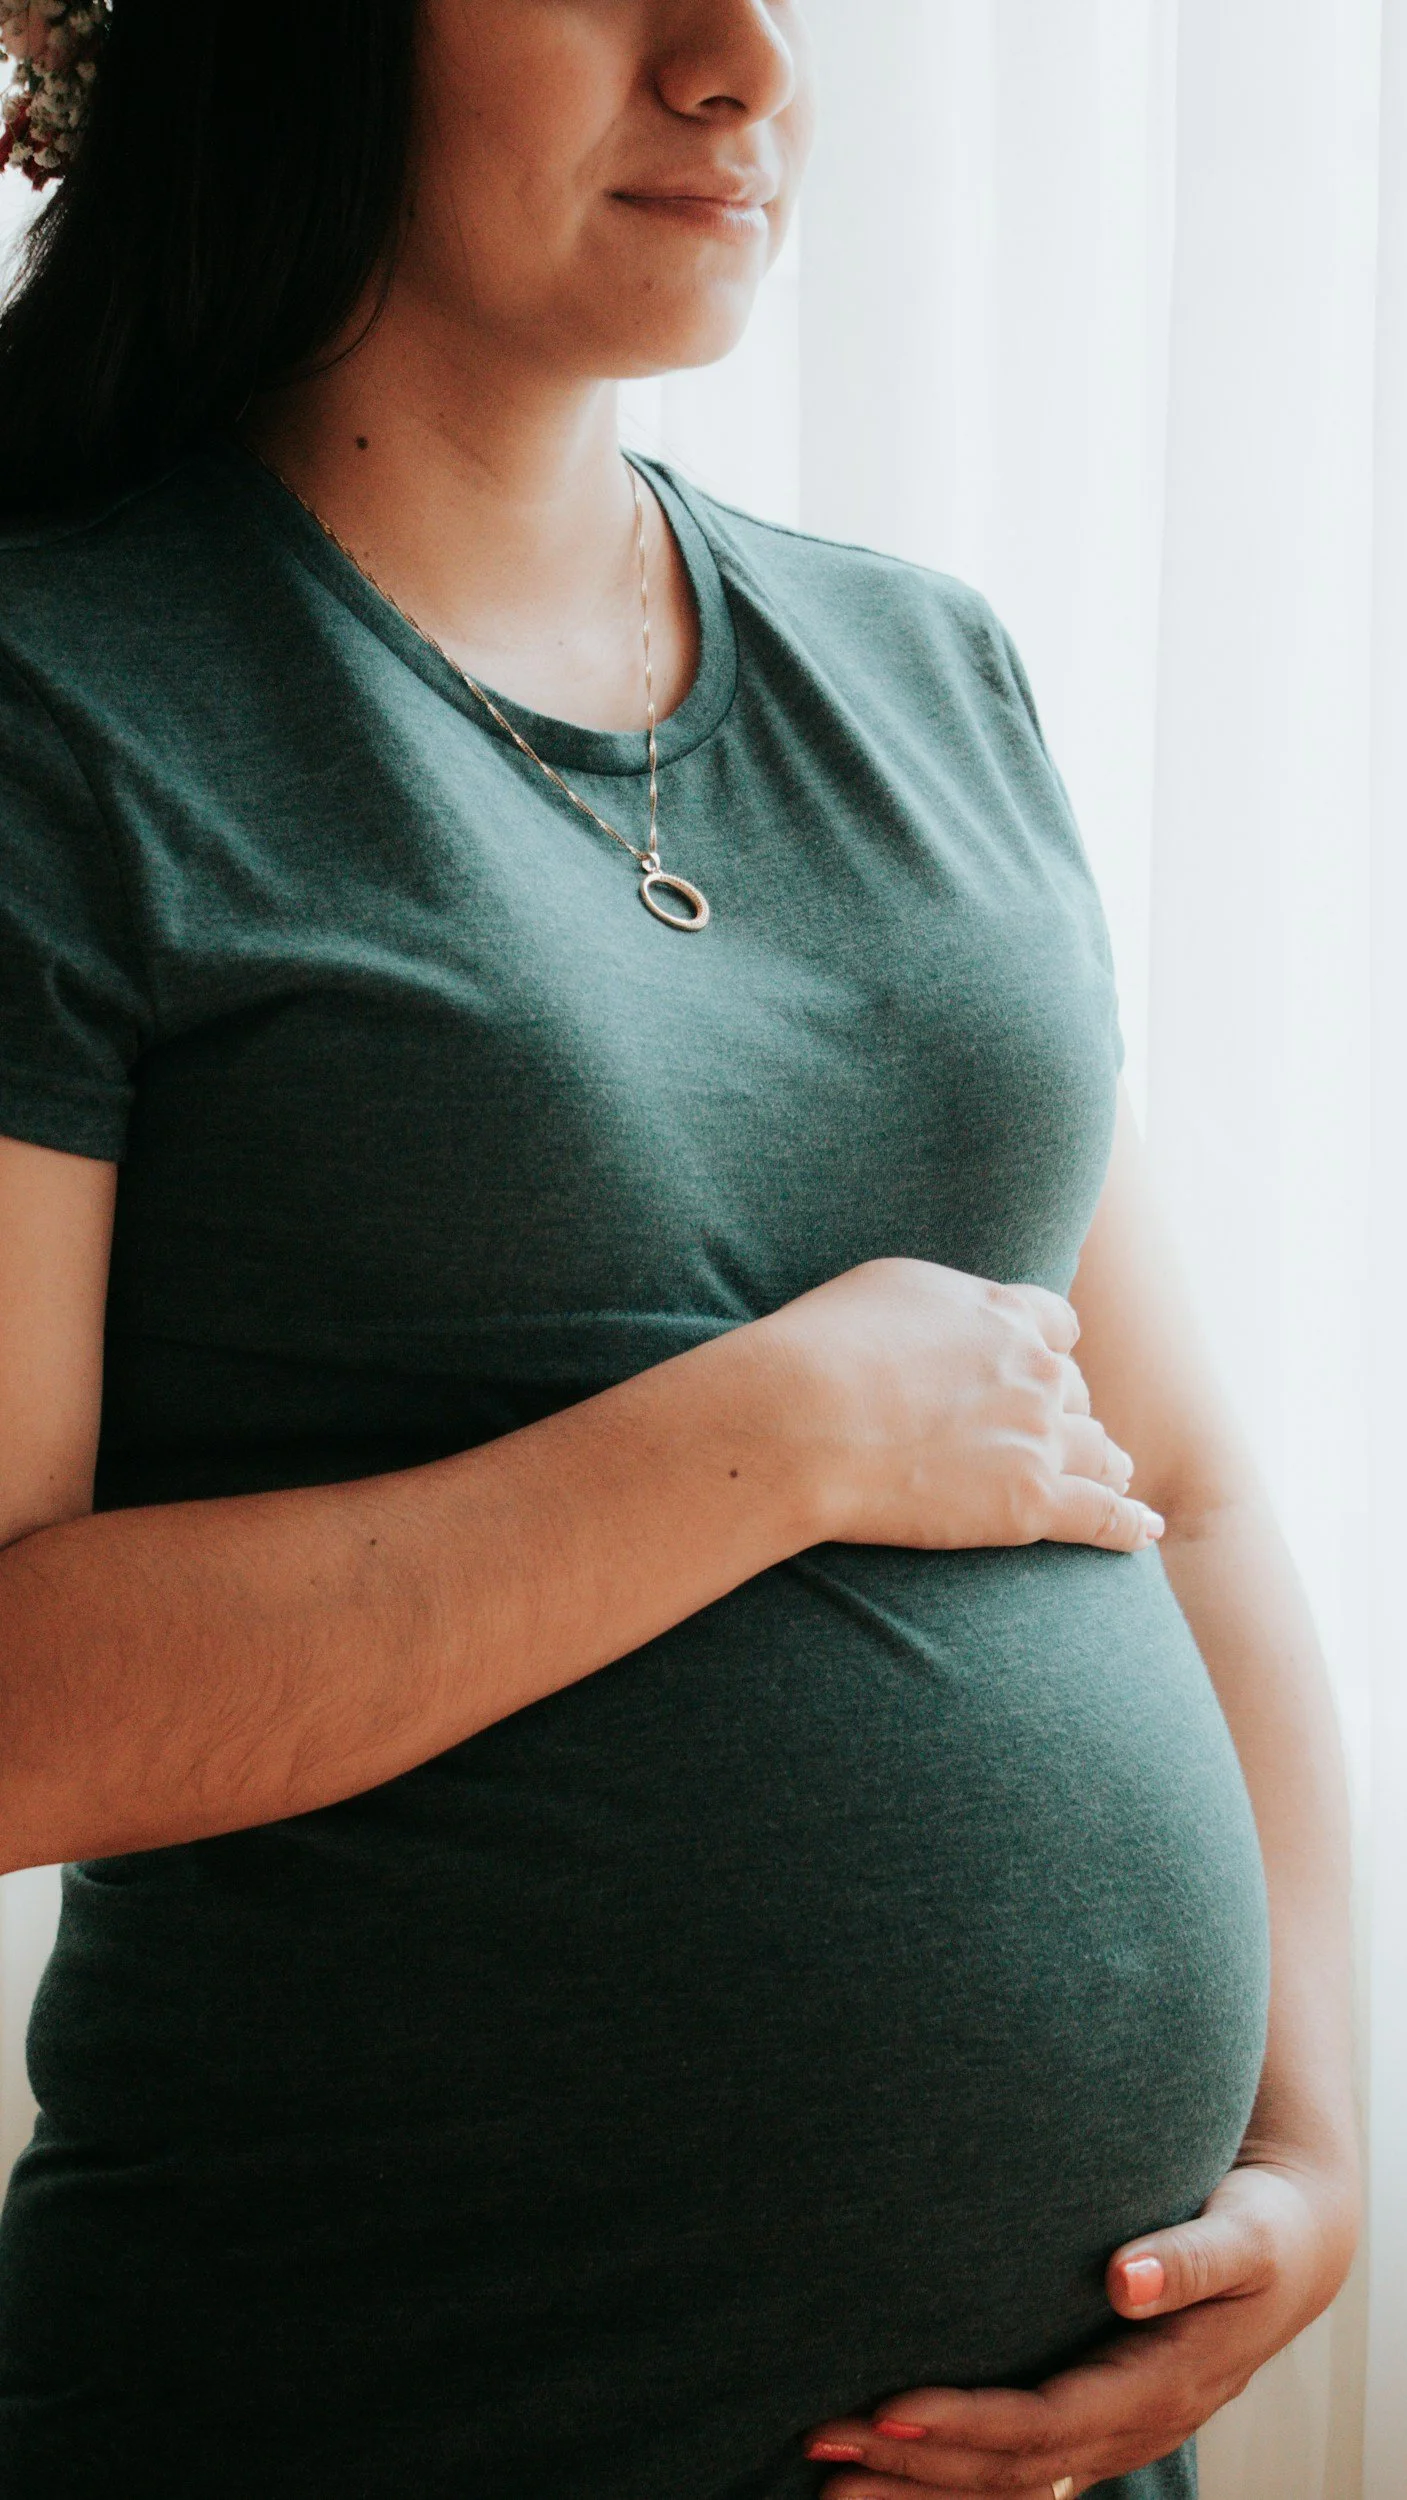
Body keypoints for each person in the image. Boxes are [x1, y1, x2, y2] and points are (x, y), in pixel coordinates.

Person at [0, 5, 1358, 2496]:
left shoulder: (926, 668)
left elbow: (1189, 1478)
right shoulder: (56, 704)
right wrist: (771, 1436)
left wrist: (1312, 2132)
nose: (741, 61)